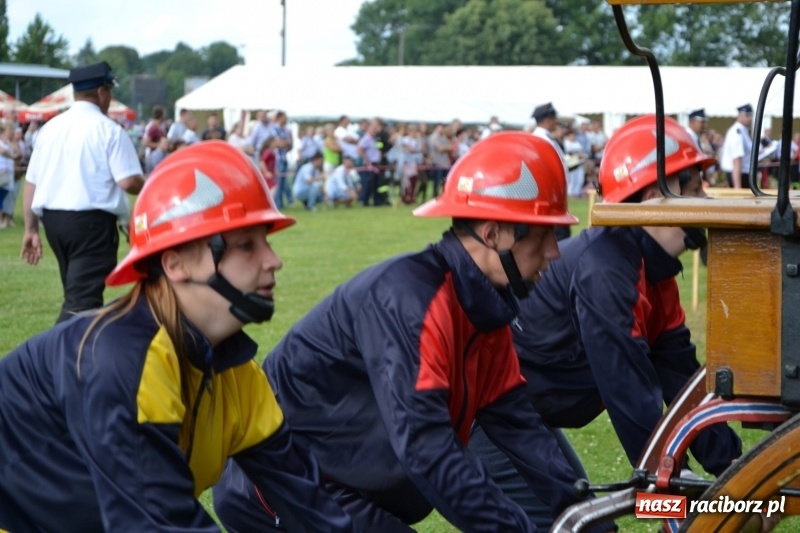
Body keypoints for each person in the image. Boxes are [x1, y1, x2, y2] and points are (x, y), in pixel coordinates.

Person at [213, 132, 614, 533]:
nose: (555, 252)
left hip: (345, 487)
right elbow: (428, 450)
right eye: (544, 235)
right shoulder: (412, 300)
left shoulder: (483, 308)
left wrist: (590, 516)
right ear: (493, 234)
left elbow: (518, 425)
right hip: (284, 491)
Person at [0, 140, 356, 532]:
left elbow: (307, 501)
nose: (274, 260)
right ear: (175, 263)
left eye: (266, 242)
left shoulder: (237, 373)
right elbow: (158, 523)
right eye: (245, 245)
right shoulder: (124, 361)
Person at [470, 116, 743, 528]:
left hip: (523, 415)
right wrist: (682, 494)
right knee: (587, 527)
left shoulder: (652, 271)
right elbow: (629, 391)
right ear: (654, 196)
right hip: (483, 417)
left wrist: (735, 473)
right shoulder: (608, 270)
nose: (704, 199)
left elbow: (683, 382)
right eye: (694, 188)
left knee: (591, 524)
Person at [20, 62, 145, 324]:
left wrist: (31, 230)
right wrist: (148, 183)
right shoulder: (108, 129)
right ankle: (51, 359)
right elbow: (127, 181)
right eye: (109, 91)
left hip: (54, 223)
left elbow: (32, 183)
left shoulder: (49, 128)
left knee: (77, 296)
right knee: (81, 305)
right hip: (91, 225)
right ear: (102, 92)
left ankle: (75, 358)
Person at [531, 102, 571, 241]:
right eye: (553, 119)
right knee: (559, 232)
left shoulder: (546, 137)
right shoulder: (541, 138)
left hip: (554, 188)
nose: (555, 122)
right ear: (548, 120)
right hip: (550, 190)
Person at [720, 103, 754, 188]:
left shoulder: (743, 131)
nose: (750, 118)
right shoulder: (737, 132)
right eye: (747, 115)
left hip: (744, 173)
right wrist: (737, 188)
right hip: (740, 175)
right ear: (740, 116)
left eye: (751, 115)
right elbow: (737, 160)